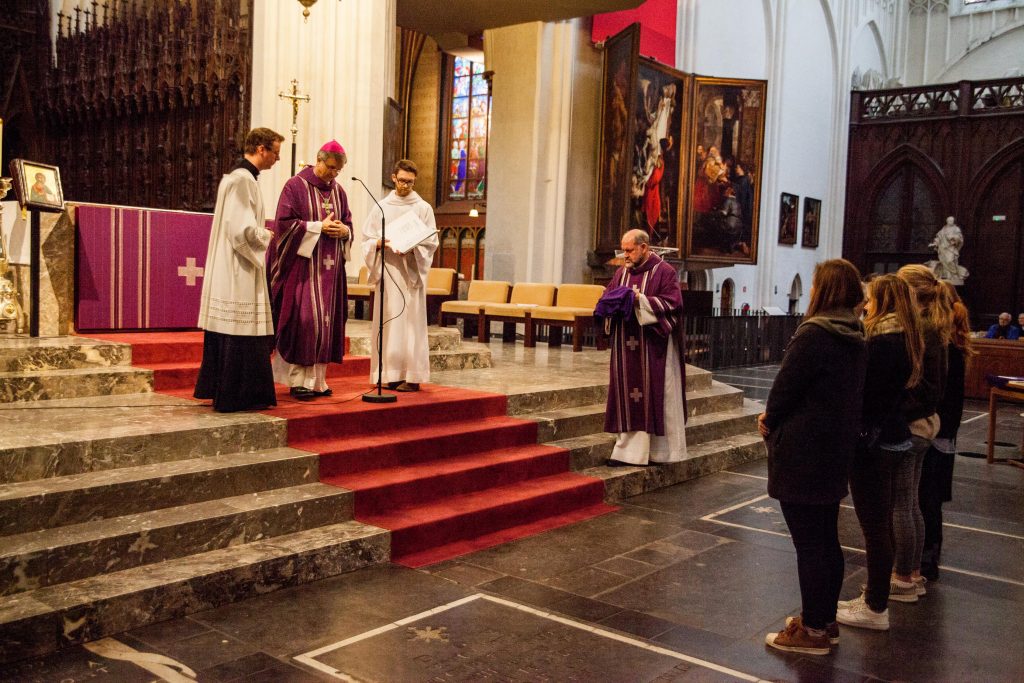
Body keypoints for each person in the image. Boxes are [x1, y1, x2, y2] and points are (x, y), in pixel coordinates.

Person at [761, 259, 867, 655]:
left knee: (809, 544)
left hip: (803, 450)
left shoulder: (815, 333)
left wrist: (769, 420)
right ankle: (825, 620)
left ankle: (812, 632)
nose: (809, 291)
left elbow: (785, 388)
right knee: (826, 538)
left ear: (825, 289)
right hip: (834, 448)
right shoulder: (855, 333)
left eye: (814, 284)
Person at [835, 274, 924, 632]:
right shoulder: (904, 336)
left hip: (875, 442)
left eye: (871, 298)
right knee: (882, 522)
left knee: (875, 528)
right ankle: (875, 596)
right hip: (893, 436)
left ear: (884, 300)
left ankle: (875, 607)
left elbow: (866, 395)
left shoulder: (883, 342)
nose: (866, 304)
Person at [194, 127, 284, 412]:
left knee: (234, 329)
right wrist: (265, 235)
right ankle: (240, 395)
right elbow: (240, 230)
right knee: (240, 328)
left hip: (234, 264)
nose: (277, 159)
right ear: (261, 149)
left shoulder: (237, 178)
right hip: (238, 268)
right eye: (275, 153)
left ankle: (229, 391)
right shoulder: (242, 180)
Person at [267, 140, 353, 400]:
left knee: (326, 323)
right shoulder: (295, 186)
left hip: (330, 271)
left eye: (338, 170)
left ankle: (318, 382)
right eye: (330, 168)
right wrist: (317, 227)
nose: (333, 174)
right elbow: (283, 224)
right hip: (303, 270)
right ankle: (297, 381)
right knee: (304, 322)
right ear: (319, 160)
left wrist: (345, 231)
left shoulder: (339, 192)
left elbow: (347, 221)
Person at [601, 229, 686, 466]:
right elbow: (609, 295)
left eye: (629, 250)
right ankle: (627, 453)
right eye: (623, 250)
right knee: (627, 397)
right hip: (625, 347)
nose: (625, 256)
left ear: (644, 247)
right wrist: (607, 305)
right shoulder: (621, 273)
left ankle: (660, 453)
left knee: (656, 396)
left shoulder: (665, 272)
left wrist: (641, 300)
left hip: (653, 348)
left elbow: (674, 304)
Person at [890, 264, 950, 601]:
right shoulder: (932, 325)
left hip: (912, 425)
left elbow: (921, 386)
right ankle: (912, 573)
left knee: (902, 504)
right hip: (924, 423)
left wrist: (894, 411)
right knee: (911, 502)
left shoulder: (922, 328)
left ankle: (902, 578)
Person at [359, 159, 439, 392]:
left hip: (411, 272)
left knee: (411, 324)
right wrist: (379, 244)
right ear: (393, 178)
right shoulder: (381, 207)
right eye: (402, 180)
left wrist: (414, 247)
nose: (405, 186)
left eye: (410, 182)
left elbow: (431, 242)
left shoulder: (423, 208)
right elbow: (366, 240)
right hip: (389, 270)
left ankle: (412, 377)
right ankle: (391, 374)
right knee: (390, 321)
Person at [919, 282, 974, 580]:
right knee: (930, 496)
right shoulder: (951, 339)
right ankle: (928, 554)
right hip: (943, 429)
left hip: (937, 429)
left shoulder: (944, 343)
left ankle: (927, 558)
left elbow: (944, 395)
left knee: (927, 496)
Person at [926, 216, 968, 285]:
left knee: (950, 261)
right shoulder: (943, 229)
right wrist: (934, 244)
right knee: (944, 262)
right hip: (942, 248)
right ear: (947, 221)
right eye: (949, 221)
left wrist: (953, 238)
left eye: (952, 221)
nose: (950, 222)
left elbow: (960, 238)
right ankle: (948, 276)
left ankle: (954, 274)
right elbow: (938, 238)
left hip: (951, 248)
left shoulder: (956, 229)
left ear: (953, 221)